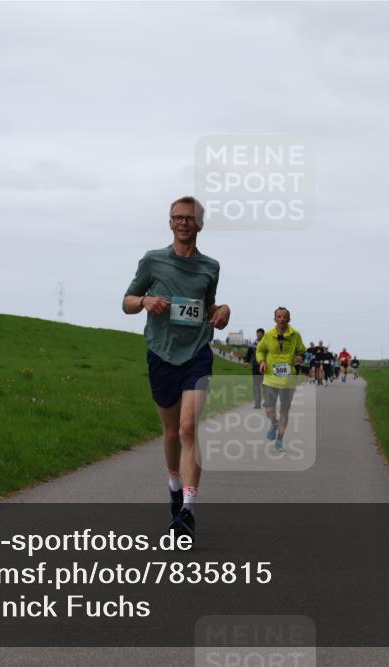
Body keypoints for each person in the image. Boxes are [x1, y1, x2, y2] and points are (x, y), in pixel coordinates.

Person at [122, 196, 230, 539]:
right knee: (170, 433)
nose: (183, 223)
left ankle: (187, 509)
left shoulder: (210, 266)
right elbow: (126, 302)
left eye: (189, 218)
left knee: (187, 429)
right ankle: (173, 484)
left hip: (197, 352)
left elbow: (207, 304)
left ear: (200, 223)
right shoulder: (153, 261)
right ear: (170, 223)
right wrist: (145, 301)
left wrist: (222, 310)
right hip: (161, 352)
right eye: (176, 218)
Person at [256, 307, 306, 452]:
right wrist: (262, 362)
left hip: (288, 379)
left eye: (285, 317)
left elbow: (302, 351)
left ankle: (279, 441)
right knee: (269, 409)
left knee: (284, 410)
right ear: (275, 319)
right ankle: (273, 423)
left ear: (289, 319)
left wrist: (300, 358)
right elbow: (260, 350)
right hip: (271, 377)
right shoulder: (268, 335)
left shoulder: (295, 335)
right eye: (279, 316)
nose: (282, 319)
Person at [243, 328, 265, 409]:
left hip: (265, 367)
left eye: (260, 334)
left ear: (263, 335)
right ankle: (257, 403)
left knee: (265, 385)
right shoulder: (252, 344)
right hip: (255, 366)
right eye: (258, 334)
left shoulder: (266, 344)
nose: (259, 335)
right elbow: (248, 354)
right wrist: (246, 362)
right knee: (256, 385)